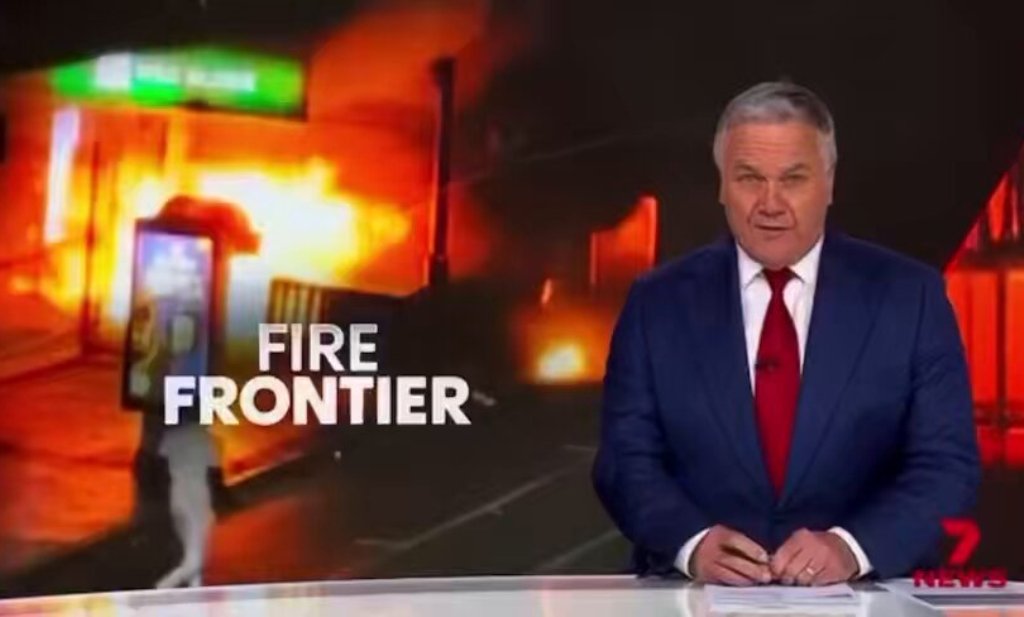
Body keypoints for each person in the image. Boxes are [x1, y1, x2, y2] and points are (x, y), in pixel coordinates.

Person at [593, 81, 980, 586]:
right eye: (749, 179)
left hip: (865, 597)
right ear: (722, 185)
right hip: (694, 597)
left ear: (829, 183)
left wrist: (851, 549)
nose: (770, 203)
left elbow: (946, 465)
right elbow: (625, 461)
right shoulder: (656, 303)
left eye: (793, 179)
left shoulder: (910, 297)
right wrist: (692, 543)